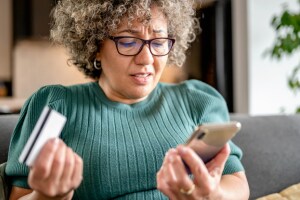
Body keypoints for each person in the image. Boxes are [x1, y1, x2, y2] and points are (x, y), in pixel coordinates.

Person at [6, 0, 250, 199]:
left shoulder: (198, 100)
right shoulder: (54, 105)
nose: (146, 59)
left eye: (159, 41)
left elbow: (236, 181)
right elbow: (20, 195)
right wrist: (49, 197)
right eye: (128, 41)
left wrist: (214, 194)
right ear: (96, 46)